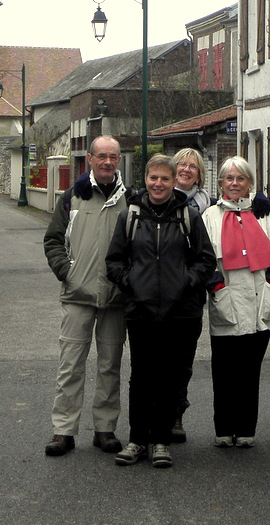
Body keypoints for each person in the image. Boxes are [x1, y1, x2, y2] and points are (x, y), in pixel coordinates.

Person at [106, 154, 216, 468]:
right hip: (141, 310)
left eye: (164, 179)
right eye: (153, 178)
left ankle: (161, 441)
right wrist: (132, 285)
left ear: (173, 182)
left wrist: (184, 283)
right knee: (141, 377)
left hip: (179, 312)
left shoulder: (188, 216)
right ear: (146, 180)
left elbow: (205, 260)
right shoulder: (130, 215)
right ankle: (137, 440)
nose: (158, 184)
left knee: (169, 377)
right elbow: (114, 261)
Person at [43, 135, 132, 457]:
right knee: (70, 366)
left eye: (113, 157)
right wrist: (68, 272)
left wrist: (127, 281)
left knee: (110, 366)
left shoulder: (130, 200)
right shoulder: (72, 197)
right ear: (90, 160)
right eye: (102, 156)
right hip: (78, 295)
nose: (108, 162)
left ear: (119, 161)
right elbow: (53, 240)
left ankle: (105, 429)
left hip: (114, 299)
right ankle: (63, 431)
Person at [202, 156, 270, 449]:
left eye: (241, 178)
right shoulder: (210, 217)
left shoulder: (264, 214)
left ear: (250, 183)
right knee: (225, 370)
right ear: (221, 184)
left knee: (250, 370)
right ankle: (224, 428)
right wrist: (216, 286)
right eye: (229, 179)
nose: (235, 184)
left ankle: (245, 428)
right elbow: (202, 259)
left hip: (258, 303)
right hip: (225, 302)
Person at [169, 147, 213, 442]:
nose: (186, 170)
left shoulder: (209, 205)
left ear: (200, 174)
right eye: (182, 165)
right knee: (155, 358)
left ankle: (175, 415)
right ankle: (152, 416)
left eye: (192, 167)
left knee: (182, 360)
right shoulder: (154, 197)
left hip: (190, 295)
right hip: (156, 294)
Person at [174, 148, 214, 212]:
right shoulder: (162, 199)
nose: (187, 169)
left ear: (198, 177)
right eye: (182, 164)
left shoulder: (211, 205)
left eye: (193, 166)